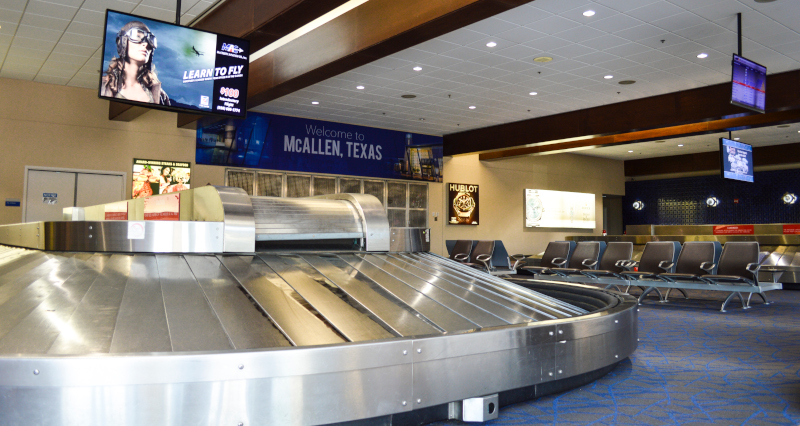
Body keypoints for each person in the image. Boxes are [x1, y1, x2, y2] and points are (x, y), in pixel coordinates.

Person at [101, 21, 170, 105]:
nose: (146, 44)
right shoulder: (105, 85)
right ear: (122, 42)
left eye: (150, 40)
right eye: (137, 36)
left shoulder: (160, 94)